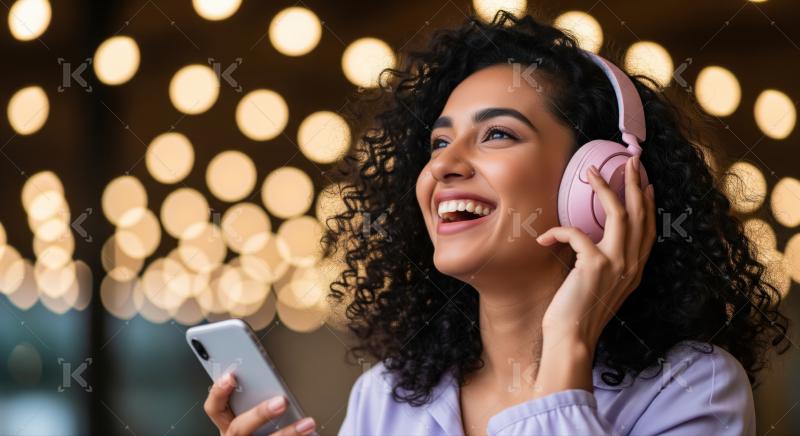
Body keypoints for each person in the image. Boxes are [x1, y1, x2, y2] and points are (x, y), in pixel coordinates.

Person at [203, 10, 789, 436]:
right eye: (438, 142)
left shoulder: (691, 390)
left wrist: (566, 351)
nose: (445, 166)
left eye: (497, 134)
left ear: (599, 180)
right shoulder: (385, 398)